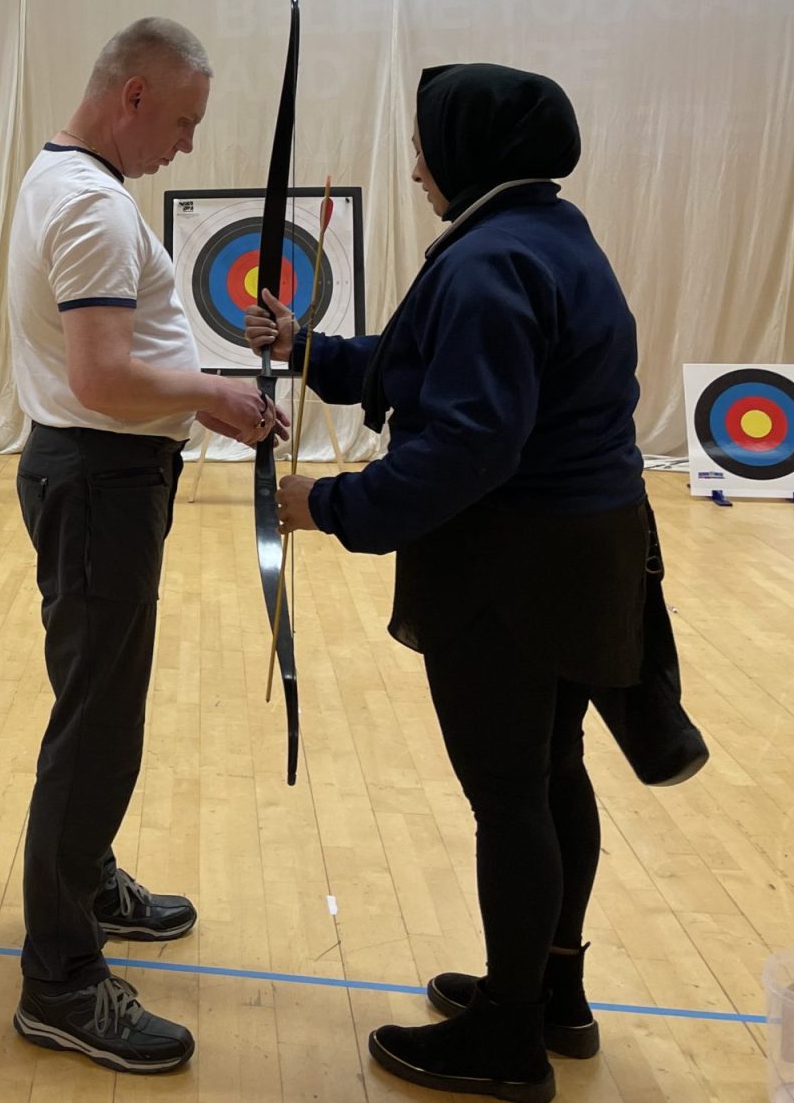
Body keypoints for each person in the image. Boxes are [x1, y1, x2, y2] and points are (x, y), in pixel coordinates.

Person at [247, 64, 646, 1103]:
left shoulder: (486, 262)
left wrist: (324, 504)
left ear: (471, 148)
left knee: (509, 796)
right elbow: (428, 362)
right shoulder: (543, 234)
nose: (415, 162)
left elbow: (467, 437)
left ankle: (505, 1038)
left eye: (425, 143)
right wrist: (313, 351)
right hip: (580, 551)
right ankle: (548, 991)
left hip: (509, 569)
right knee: (551, 773)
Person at [4, 17, 281, 1074]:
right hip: (98, 478)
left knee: (99, 701)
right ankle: (60, 978)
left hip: (99, 476)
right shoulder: (88, 204)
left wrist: (203, 388)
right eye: (180, 119)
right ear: (129, 96)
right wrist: (217, 392)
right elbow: (103, 377)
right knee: (95, 720)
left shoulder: (65, 179)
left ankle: (86, 879)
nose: (187, 143)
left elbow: (113, 366)